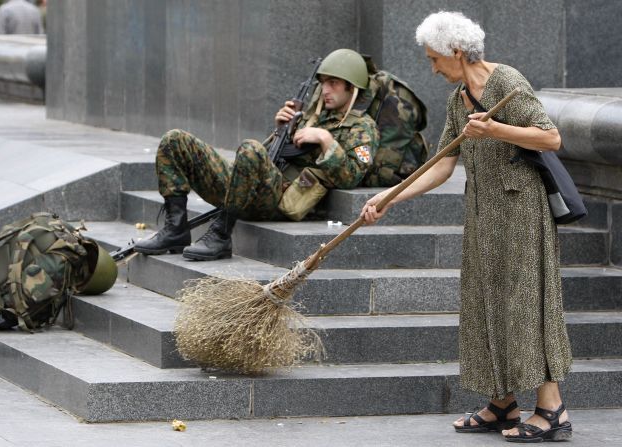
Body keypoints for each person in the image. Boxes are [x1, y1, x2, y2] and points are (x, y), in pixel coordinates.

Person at [361, 12, 572, 443]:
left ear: (457, 52)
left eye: (435, 59)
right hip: (483, 214)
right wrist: (388, 198)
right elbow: (440, 166)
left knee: (525, 304)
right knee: (484, 302)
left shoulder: (507, 82)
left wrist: (495, 128)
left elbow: (551, 138)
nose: (433, 67)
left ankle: (552, 410)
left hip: (520, 212)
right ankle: (502, 403)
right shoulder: (459, 99)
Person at [135, 49, 379, 261]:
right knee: (175, 140)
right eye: (323, 82)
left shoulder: (362, 127)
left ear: (352, 87)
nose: (325, 90)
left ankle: (221, 234)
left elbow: (352, 177)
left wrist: (325, 139)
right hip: (253, 190)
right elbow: (264, 159)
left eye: (333, 83)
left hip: (283, 200)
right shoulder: (310, 116)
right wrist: (280, 130)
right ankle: (175, 229)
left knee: (250, 148)